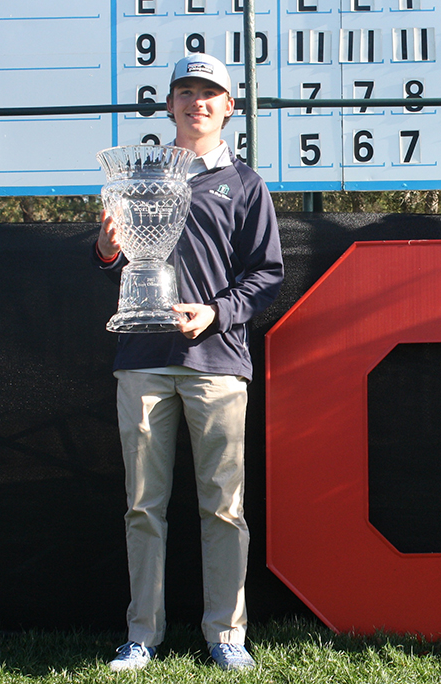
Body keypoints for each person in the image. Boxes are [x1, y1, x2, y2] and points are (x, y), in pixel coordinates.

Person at [93, 52, 283, 672]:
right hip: (143, 357)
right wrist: (105, 247)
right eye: (186, 92)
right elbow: (117, 257)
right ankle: (141, 635)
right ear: (169, 104)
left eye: (210, 93)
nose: (197, 102)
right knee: (143, 505)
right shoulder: (142, 173)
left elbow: (266, 274)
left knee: (223, 507)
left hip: (217, 361)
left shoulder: (246, 183)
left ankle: (226, 635)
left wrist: (219, 312)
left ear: (229, 106)